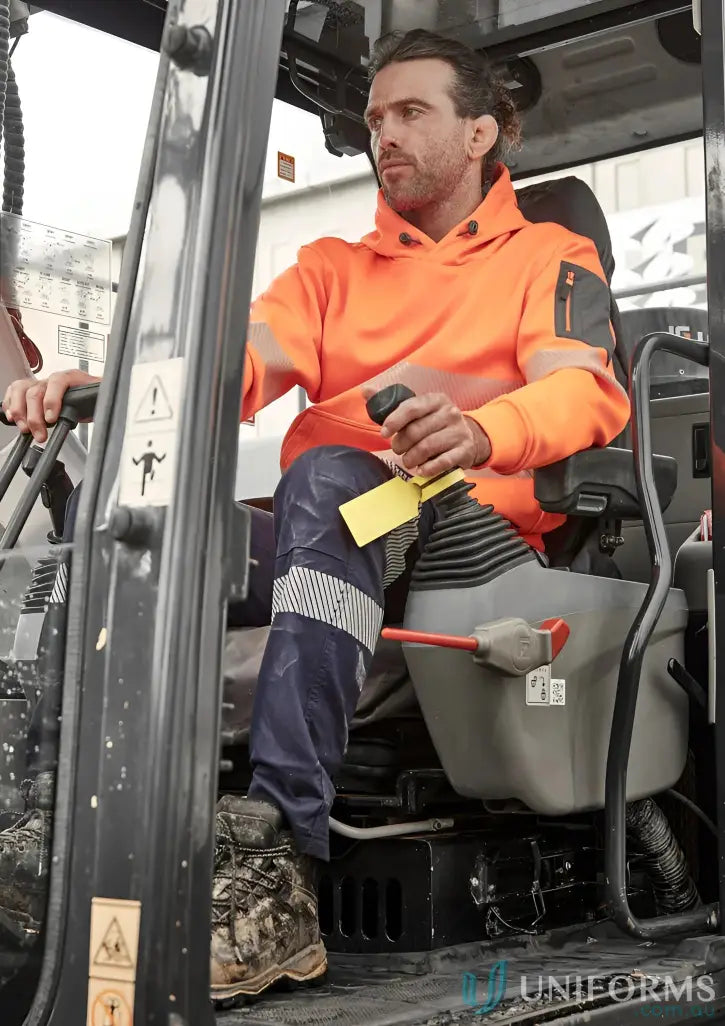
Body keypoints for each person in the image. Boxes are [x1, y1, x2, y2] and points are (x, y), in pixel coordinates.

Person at [0, 29, 629, 1003]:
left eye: (410, 112)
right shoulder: (331, 269)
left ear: (479, 133)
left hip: (466, 531)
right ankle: (50, 821)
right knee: (126, 525)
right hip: (334, 521)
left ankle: (283, 851)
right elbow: (231, 364)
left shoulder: (543, 258)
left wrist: (479, 429)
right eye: (374, 118)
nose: (384, 134)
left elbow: (582, 392)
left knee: (335, 477)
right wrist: (118, 383)